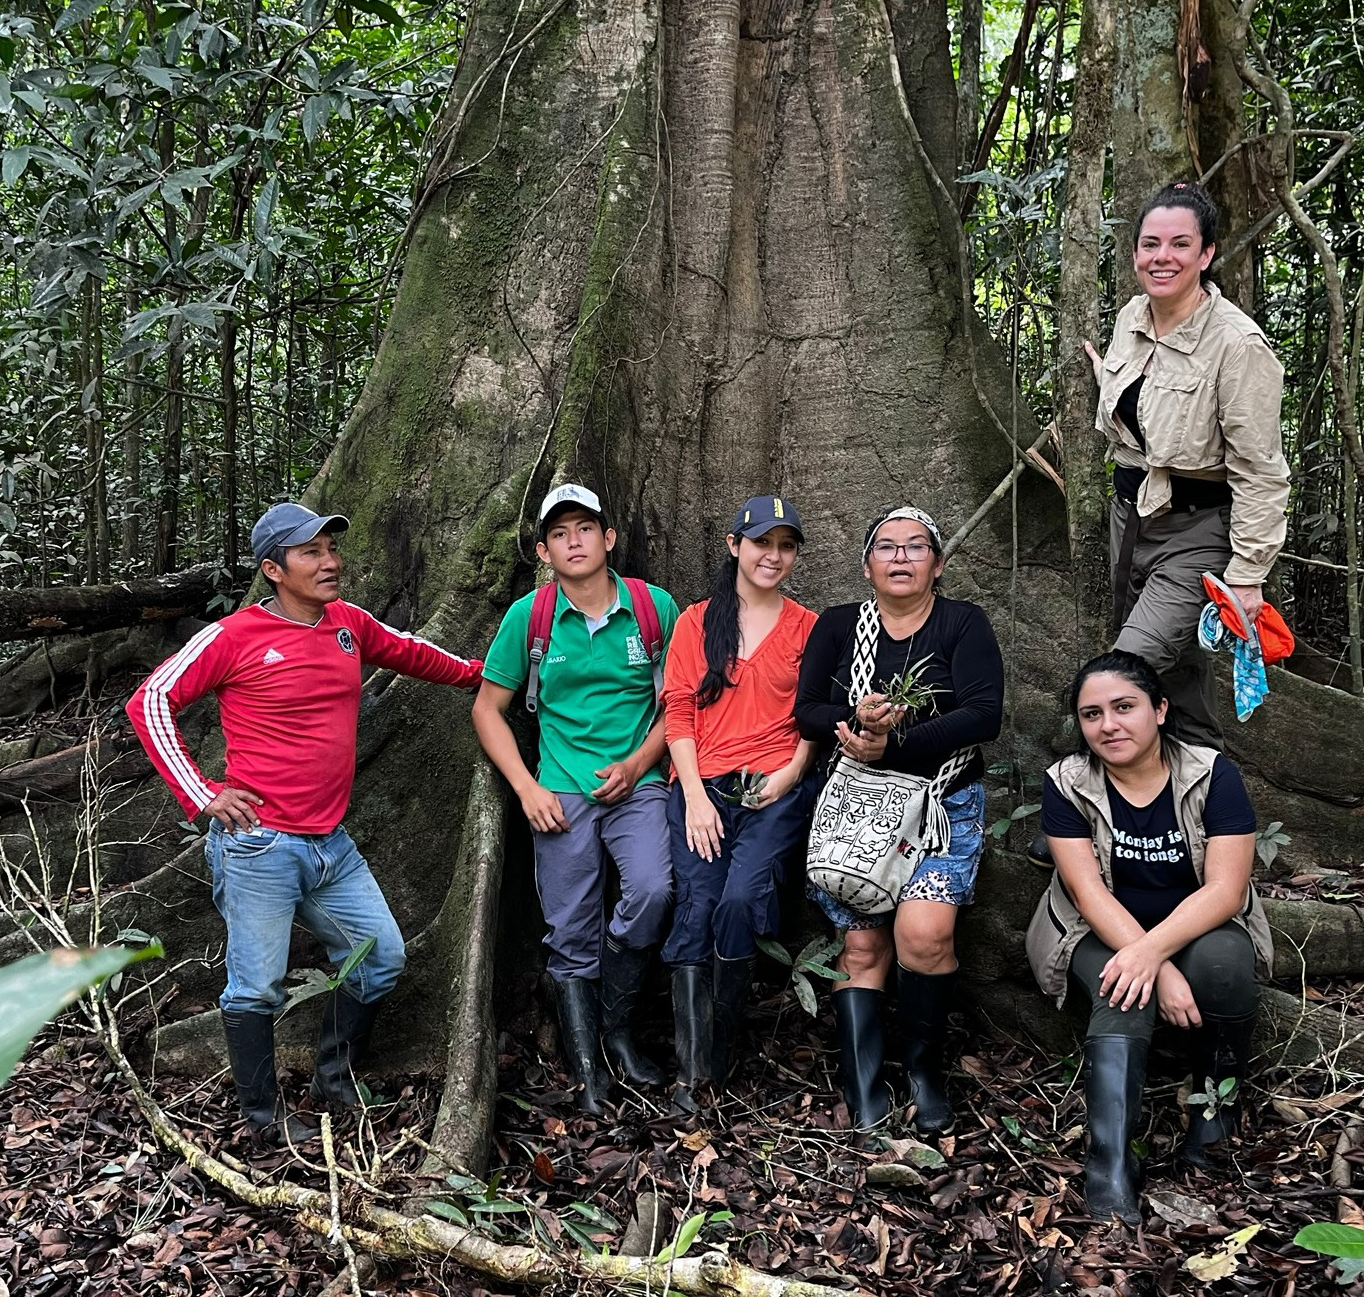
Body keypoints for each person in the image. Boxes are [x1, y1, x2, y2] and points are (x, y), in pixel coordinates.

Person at [127, 503, 483, 1144]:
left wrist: (489, 678)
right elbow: (150, 700)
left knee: (381, 958)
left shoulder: (348, 625)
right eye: (311, 553)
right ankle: (263, 1123)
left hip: (331, 845)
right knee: (256, 988)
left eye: (330, 548)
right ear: (273, 570)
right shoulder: (234, 636)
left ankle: (332, 1077)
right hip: (259, 846)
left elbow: (412, 654)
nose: (330, 562)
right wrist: (201, 793)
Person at [1025, 650, 1273, 1226]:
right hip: (1094, 930)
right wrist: (1154, 968)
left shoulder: (1212, 774)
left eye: (1124, 707)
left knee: (1223, 962)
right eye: (1092, 715)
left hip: (1193, 923)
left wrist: (1154, 951)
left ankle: (1215, 1113)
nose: (1108, 725)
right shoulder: (1067, 783)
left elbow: (1226, 892)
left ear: (1160, 710)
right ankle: (1110, 1164)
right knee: (1122, 990)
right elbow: (1088, 895)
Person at [472, 483, 679, 1116]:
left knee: (651, 891)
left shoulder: (653, 607)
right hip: (559, 789)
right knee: (569, 925)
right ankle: (588, 1067)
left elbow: (680, 705)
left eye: (585, 529)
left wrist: (642, 761)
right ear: (544, 550)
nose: (574, 541)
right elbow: (487, 709)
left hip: (639, 783)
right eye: (560, 534)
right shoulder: (528, 619)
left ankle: (616, 1030)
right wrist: (527, 787)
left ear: (608, 538)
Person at [795, 506, 1003, 1133]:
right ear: (867, 566)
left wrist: (898, 739)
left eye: (917, 546)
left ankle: (922, 1071)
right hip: (856, 812)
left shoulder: (963, 625)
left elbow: (983, 715)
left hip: (940, 805)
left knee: (923, 936)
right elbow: (806, 712)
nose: (901, 557)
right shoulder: (839, 627)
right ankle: (862, 1083)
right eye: (887, 547)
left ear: (937, 565)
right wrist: (857, 719)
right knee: (861, 945)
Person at [1090, 180, 1288, 749]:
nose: (1163, 257)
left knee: (1125, 669)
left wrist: (1248, 575)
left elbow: (1262, 472)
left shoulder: (1237, 345)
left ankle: (1080, 797)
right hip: (1129, 518)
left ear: (1205, 255)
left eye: (1180, 245)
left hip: (1199, 529)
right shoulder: (1132, 316)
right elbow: (1145, 415)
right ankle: (1201, 793)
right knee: (1173, 671)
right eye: (1150, 244)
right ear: (1134, 254)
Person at [659, 497, 820, 1112]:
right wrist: (695, 797)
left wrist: (791, 774)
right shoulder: (697, 621)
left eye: (785, 546)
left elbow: (813, 718)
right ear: (734, 547)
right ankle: (690, 1074)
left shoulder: (807, 628)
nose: (772, 556)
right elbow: (678, 711)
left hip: (774, 788)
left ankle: (721, 1059)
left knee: (739, 899)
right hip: (702, 785)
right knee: (697, 904)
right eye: (761, 543)